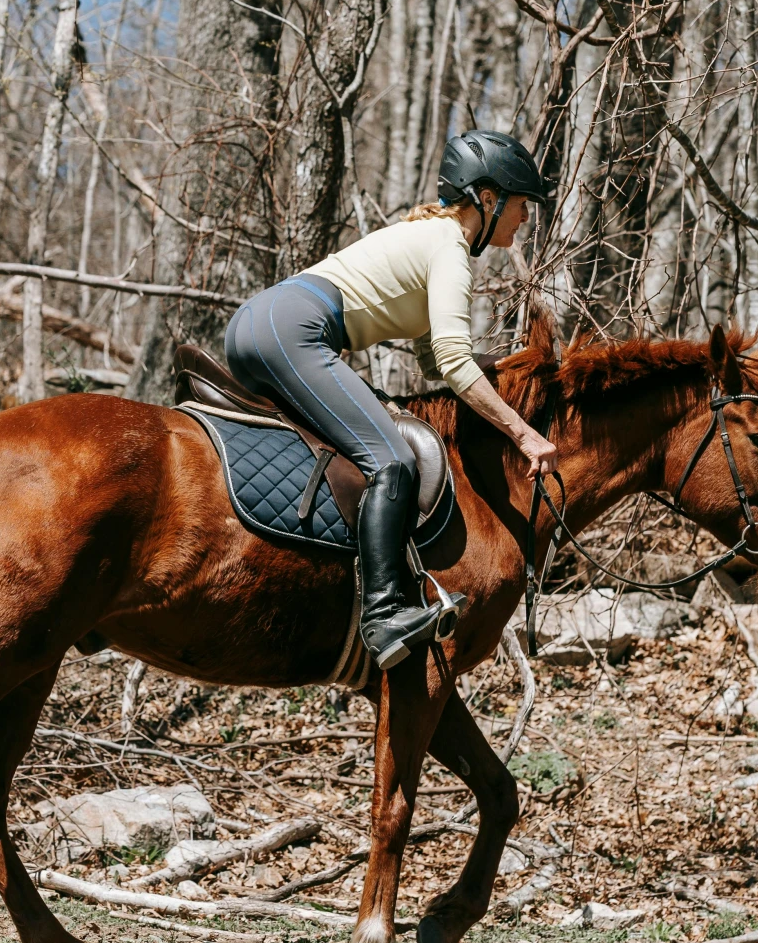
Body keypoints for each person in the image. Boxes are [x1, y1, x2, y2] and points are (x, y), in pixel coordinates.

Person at [224, 130, 559, 671]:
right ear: (489, 200)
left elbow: (435, 361)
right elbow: (452, 363)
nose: (526, 218)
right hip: (294, 330)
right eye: (521, 204)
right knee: (393, 461)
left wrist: (500, 366)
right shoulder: (448, 247)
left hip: (259, 324)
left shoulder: (429, 236)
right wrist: (521, 431)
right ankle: (384, 614)